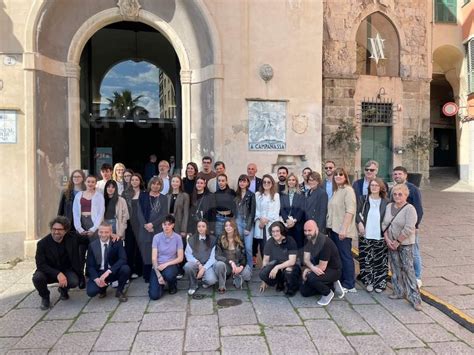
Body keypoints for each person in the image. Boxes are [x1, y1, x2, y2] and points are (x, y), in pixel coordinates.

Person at [33, 216, 89, 310]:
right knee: (37, 278)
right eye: (54, 229)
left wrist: (108, 236)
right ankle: (45, 297)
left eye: (59, 229)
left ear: (65, 230)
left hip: (66, 270)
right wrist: (57, 274)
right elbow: (41, 264)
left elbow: (88, 240)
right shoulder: (42, 244)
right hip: (49, 272)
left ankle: (63, 289)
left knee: (74, 281)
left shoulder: (72, 237)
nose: (56, 232)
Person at [382, 184, 422, 311]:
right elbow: (384, 224)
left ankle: (415, 298)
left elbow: (410, 228)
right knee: (395, 267)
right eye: (395, 194)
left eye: (400, 194)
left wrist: (397, 241)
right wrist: (388, 240)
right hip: (391, 242)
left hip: (405, 244)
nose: (397, 196)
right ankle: (399, 291)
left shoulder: (410, 209)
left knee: (408, 268)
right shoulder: (389, 206)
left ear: (406, 195)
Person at [391, 166, 424, 288]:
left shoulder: (413, 189)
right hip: (397, 227)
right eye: (395, 174)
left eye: (399, 174)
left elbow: (419, 209)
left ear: (405, 175)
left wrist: (416, 225)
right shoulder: (393, 189)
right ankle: (405, 276)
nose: (397, 176)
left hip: (410, 226)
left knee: (414, 251)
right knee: (401, 251)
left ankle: (417, 276)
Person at [327, 168, 357, 293]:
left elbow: (350, 210)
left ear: (345, 177)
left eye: (341, 174)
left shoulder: (348, 190)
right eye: (336, 175)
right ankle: (342, 280)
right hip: (333, 229)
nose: (338, 176)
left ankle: (350, 284)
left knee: (345, 256)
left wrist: (343, 229)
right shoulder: (337, 190)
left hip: (342, 230)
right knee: (338, 256)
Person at [356, 177, 389, 293]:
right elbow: (357, 213)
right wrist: (359, 223)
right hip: (366, 235)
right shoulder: (363, 199)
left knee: (380, 260)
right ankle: (368, 281)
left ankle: (380, 283)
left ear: (381, 188)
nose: (374, 187)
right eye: (372, 185)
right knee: (366, 260)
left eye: (376, 185)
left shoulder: (386, 202)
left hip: (380, 235)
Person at [300, 220, 344, 306]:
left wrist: (308, 270)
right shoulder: (308, 239)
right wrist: (311, 268)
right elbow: (306, 259)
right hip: (319, 267)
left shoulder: (324, 242)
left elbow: (322, 267)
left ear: (316, 229)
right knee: (304, 292)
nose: (307, 233)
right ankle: (331, 285)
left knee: (311, 277)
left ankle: (328, 293)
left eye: (310, 230)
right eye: (305, 230)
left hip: (333, 270)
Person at [72, 174, 105, 288]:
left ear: (95, 183)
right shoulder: (79, 195)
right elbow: (75, 213)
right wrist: (79, 228)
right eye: (88, 182)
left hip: (93, 227)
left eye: (93, 182)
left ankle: (92, 276)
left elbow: (101, 213)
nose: (90, 184)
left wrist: (93, 229)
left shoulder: (99, 196)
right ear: (85, 183)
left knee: (93, 254)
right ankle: (81, 278)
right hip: (81, 225)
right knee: (80, 254)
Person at [86, 222, 130, 302]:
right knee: (91, 292)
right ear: (98, 232)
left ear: (111, 232)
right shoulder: (92, 245)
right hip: (99, 272)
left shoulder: (116, 242)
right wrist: (96, 279)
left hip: (112, 271)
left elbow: (123, 259)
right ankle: (102, 289)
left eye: (106, 232)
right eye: (101, 232)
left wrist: (109, 271)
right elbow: (90, 266)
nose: (103, 235)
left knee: (125, 269)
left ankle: (119, 291)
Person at [137, 176, 168, 282]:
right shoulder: (143, 196)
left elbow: (164, 215)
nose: (155, 186)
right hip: (144, 229)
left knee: (157, 252)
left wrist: (152, 225)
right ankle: (147, 276)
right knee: (146, 252)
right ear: (150, 184)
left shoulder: (164, 198)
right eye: (154, 183)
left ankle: (157, 273)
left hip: (157, 229)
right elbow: (139, 212)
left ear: (161, 186)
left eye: (158, 184)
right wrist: (146, 225)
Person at [259, 221, 300, 296]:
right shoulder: (270, 242)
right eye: (273, 231)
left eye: (277, 231)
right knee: (262, 273)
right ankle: (279, 281)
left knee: (288, 271)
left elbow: (292, 261)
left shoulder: (290, 241)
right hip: (277, 263)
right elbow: (265, 260)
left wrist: (277, 267)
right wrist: (264, 281)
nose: (275, 234)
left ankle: (292, 288)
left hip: (291, 265)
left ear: (282, 230)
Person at [149, 215, 184, 300]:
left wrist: (166, 264)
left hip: (171, 265)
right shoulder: (156, 237)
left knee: (169, 274)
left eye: (169, 224)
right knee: (154, 296)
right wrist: (158, 275)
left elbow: (180, 258)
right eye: (165, 224)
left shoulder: (178, 238)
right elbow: (154, 258)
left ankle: (172, 285)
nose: (166, 226)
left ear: (173, 225)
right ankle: (161, 282)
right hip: (158, 266)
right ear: (162, 225)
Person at [214, 219, 252, 293]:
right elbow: (217, 255)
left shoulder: (240, 239)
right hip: (226, 265)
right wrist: (230, 262)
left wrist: (241, 267)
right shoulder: (220, 238)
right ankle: (222, 286)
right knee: (219, 264)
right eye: (226, 226)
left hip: (237, 264)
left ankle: (236, 276)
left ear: (234, 227)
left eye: (230, 225)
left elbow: (244, 256)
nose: (228, 227)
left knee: (247, 273)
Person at [184, 220, 218, 295]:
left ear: (206, 228)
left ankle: (204, 280)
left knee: (212, 280)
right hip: (196, 263)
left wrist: (203, 268)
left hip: (207, 264)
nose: (201, 228)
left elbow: (213, 258)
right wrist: (198, 264)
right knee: (187, 266)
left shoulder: (212, 239)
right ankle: (193, 285)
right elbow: (188, 254)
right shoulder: (191, 239)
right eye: (199, 226)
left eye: (203, 226)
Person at [123, 173, 145, 279]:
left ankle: (139, 270)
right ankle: (130, 270)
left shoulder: (145, 193)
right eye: (133, 180)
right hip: (129, 224)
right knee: (129, 247)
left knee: (140, 246)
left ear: (140, 181)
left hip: (142, 224)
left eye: (137, 180)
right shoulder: (125, 193)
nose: (134, 182)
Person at [254, 174, 281, 262]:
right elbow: (257, 210)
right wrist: (260, 220)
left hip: (271, 224)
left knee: (272, 246)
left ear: (272, 183)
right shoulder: (258, 195)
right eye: (264, 182)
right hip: (260, 225)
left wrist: (266, 220)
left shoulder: (276, 195)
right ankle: (265, 267)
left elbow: (276, 211)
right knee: (263, 247)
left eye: (268, 182)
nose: (266, 183)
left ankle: (272, 267)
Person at [280, 173, 306, 255]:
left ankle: (299, 264)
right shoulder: (283, 194)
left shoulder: (301, 194)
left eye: (293, 180)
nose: (291, 182)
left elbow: (302, 209)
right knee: (288, 244)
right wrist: (287, 220)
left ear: (296, 182)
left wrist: (294, 220)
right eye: (289, 180)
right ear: (287, 182)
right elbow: (281, 209)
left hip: (297, 224)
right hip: (286, 224)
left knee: (299, 244)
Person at [234, 174, 256, 268]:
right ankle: (240, 266)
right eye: (240, 181)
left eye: (244, 181)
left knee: (248, 247)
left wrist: (248, 227)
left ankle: (249, 267)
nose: (242, 183)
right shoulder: (236, 194)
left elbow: (252, 212)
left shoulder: (251, 195)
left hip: (247, 222)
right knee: (239, 246)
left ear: (248, 183)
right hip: (238, 222)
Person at [213, 174, 237, 238]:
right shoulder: (215, 194)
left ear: (226, 181)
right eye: (219, 181)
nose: (221, 182)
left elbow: (235, 205)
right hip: (219, 219)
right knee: (218, 238)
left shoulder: (231, 192)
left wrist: (233, 216)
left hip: (229, 218)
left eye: (223, 181)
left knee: (229, 237)